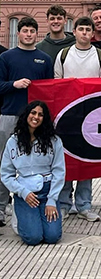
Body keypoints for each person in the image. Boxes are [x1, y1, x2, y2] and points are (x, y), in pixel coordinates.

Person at [54, 17, 101, 222]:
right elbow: (56, 85)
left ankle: (84, 205)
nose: (85, 32)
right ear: (74, 31)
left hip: (91, 117)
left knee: (87, 161)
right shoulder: (63, 55)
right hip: (68, 117)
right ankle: (63, 204)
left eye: (88, 29)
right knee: (66, 161)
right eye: (81, 29)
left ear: (92, 33)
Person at [0, 17, 53, 227]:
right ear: (18, 33)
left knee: (36, 163)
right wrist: (14, 84)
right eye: (25, 30)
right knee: (5, 163)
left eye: (32, 30)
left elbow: (51, 91)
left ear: (36, 34)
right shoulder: (6, 57)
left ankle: (36, 204)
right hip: (10, 114)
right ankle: (1, 207)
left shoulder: (44, 59)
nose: (28, 34)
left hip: (36, 120)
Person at [0, 101, 65, 245]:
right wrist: (22, 192)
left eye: (40, 114)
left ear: (45, 119)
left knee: (53, 237)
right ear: (26, 115)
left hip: (47, 190)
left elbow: (59, 172)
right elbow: (5, 174)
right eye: (33, 113)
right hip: (26, 193)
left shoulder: (54, 141)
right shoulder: (13, 141)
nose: (36, 117)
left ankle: (38, 217)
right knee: (33, 238)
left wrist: (52, 200)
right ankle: (21, 216)